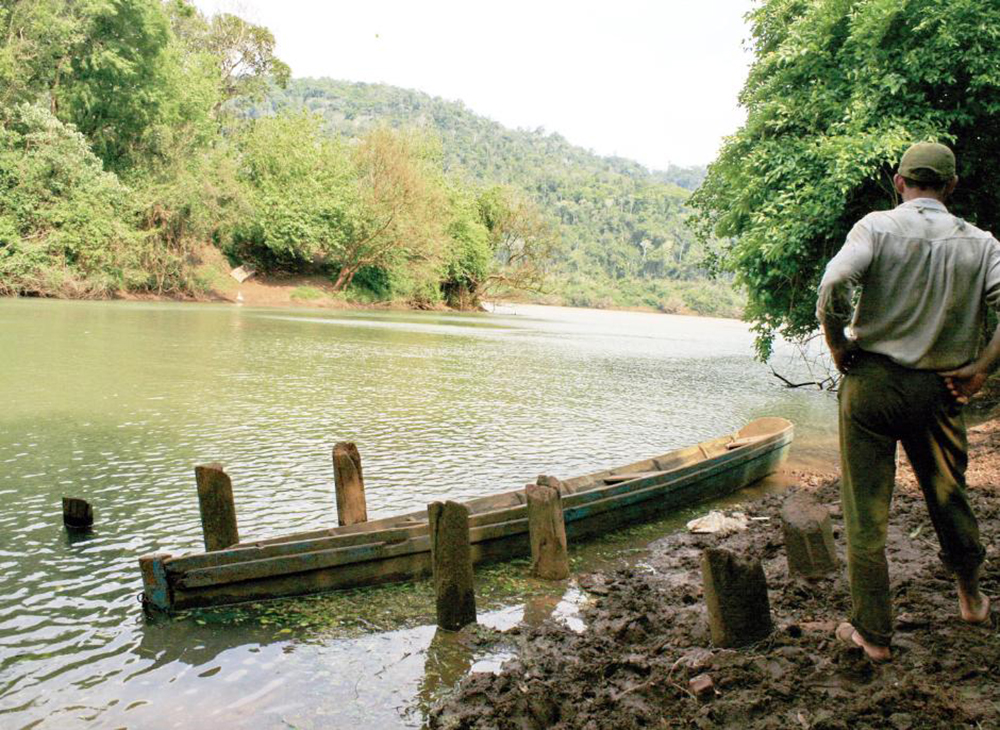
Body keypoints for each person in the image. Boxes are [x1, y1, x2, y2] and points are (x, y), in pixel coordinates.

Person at [816, 141, 997, 662]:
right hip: (940, 388)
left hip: (870, 383)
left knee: (866, 513)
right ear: (952, 186)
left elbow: (834, 282)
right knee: (948, 496)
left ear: (899, 182)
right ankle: (970, 599)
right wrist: (981, 368)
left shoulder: (876, 226)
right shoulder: (980, 243)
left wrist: (837, 342)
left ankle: (873, 635)